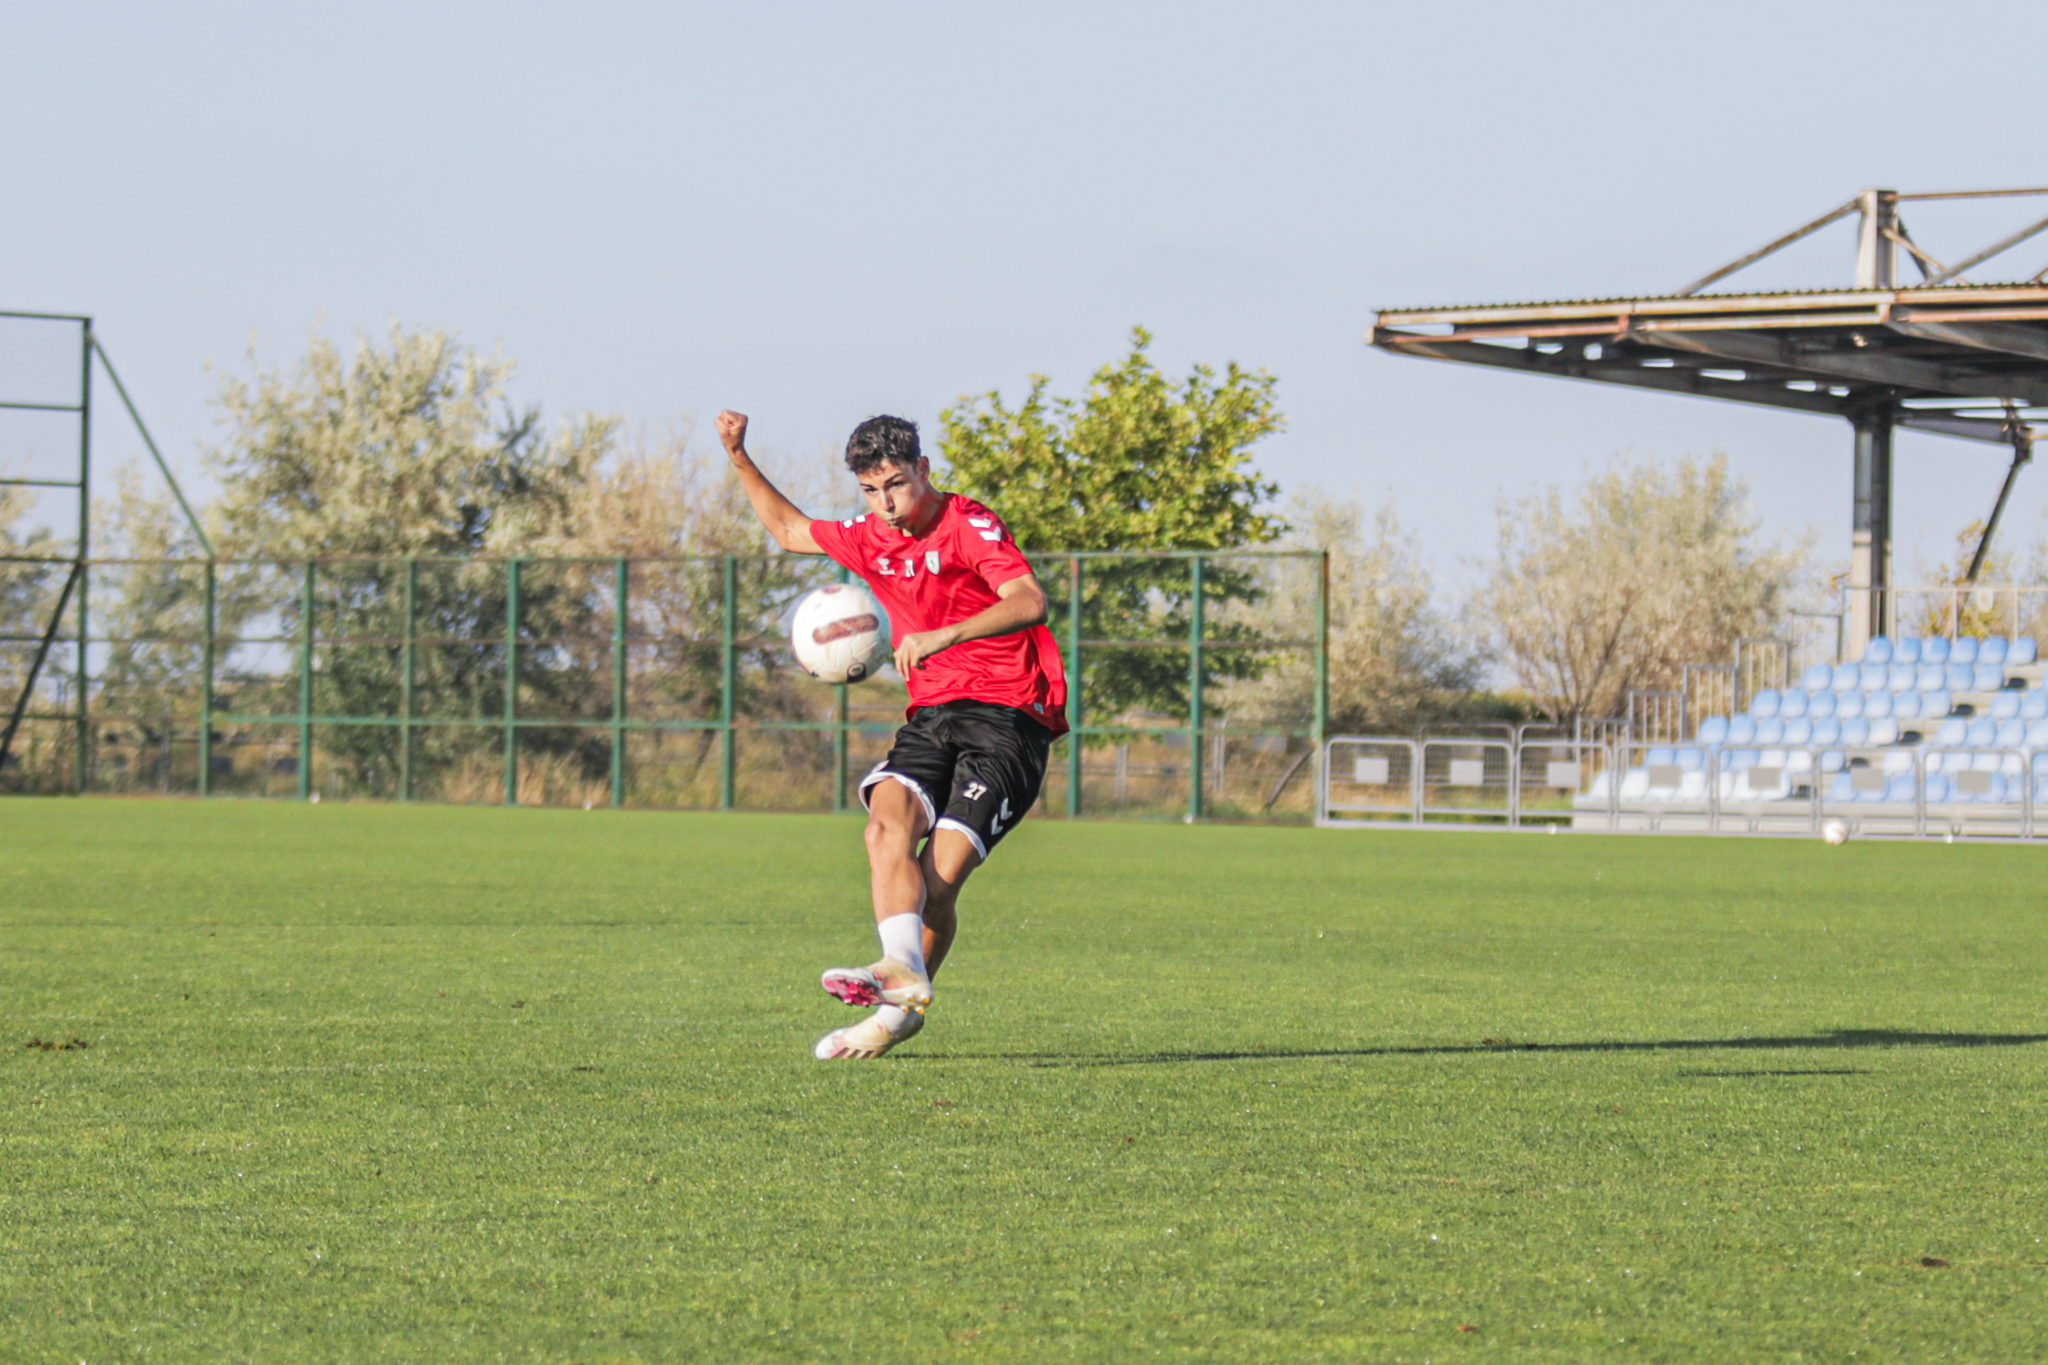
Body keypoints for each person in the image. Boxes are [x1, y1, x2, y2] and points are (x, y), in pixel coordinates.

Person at [716, 409, 1066, 1059]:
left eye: (897, 485)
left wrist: (944, 634)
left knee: (938, 879)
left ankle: (897, 1011)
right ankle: (897, 974)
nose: (886, 504)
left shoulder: (969, 523)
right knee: (883, 826)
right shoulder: (870, 534)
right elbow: (791, 530)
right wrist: (739, 456)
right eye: (871, 491)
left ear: (924, 470)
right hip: (932, 715)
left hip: (1010, 717)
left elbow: (1028, 599)